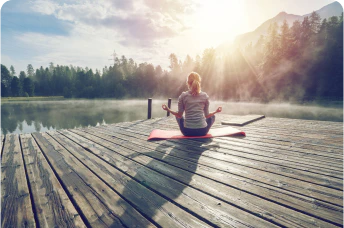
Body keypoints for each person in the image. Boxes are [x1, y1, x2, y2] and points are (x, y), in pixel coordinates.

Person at [162, 72, 222, 136]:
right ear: (199, 82)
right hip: (202, 131)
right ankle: (200, 123)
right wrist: (216, 111)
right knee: (212, 116)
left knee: (178, 115)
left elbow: (179, 115)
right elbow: (207, 115)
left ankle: (192, 124)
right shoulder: (205, 96)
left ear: (188, 83)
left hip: (187, 132)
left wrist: (168, 110)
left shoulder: (183, 96)